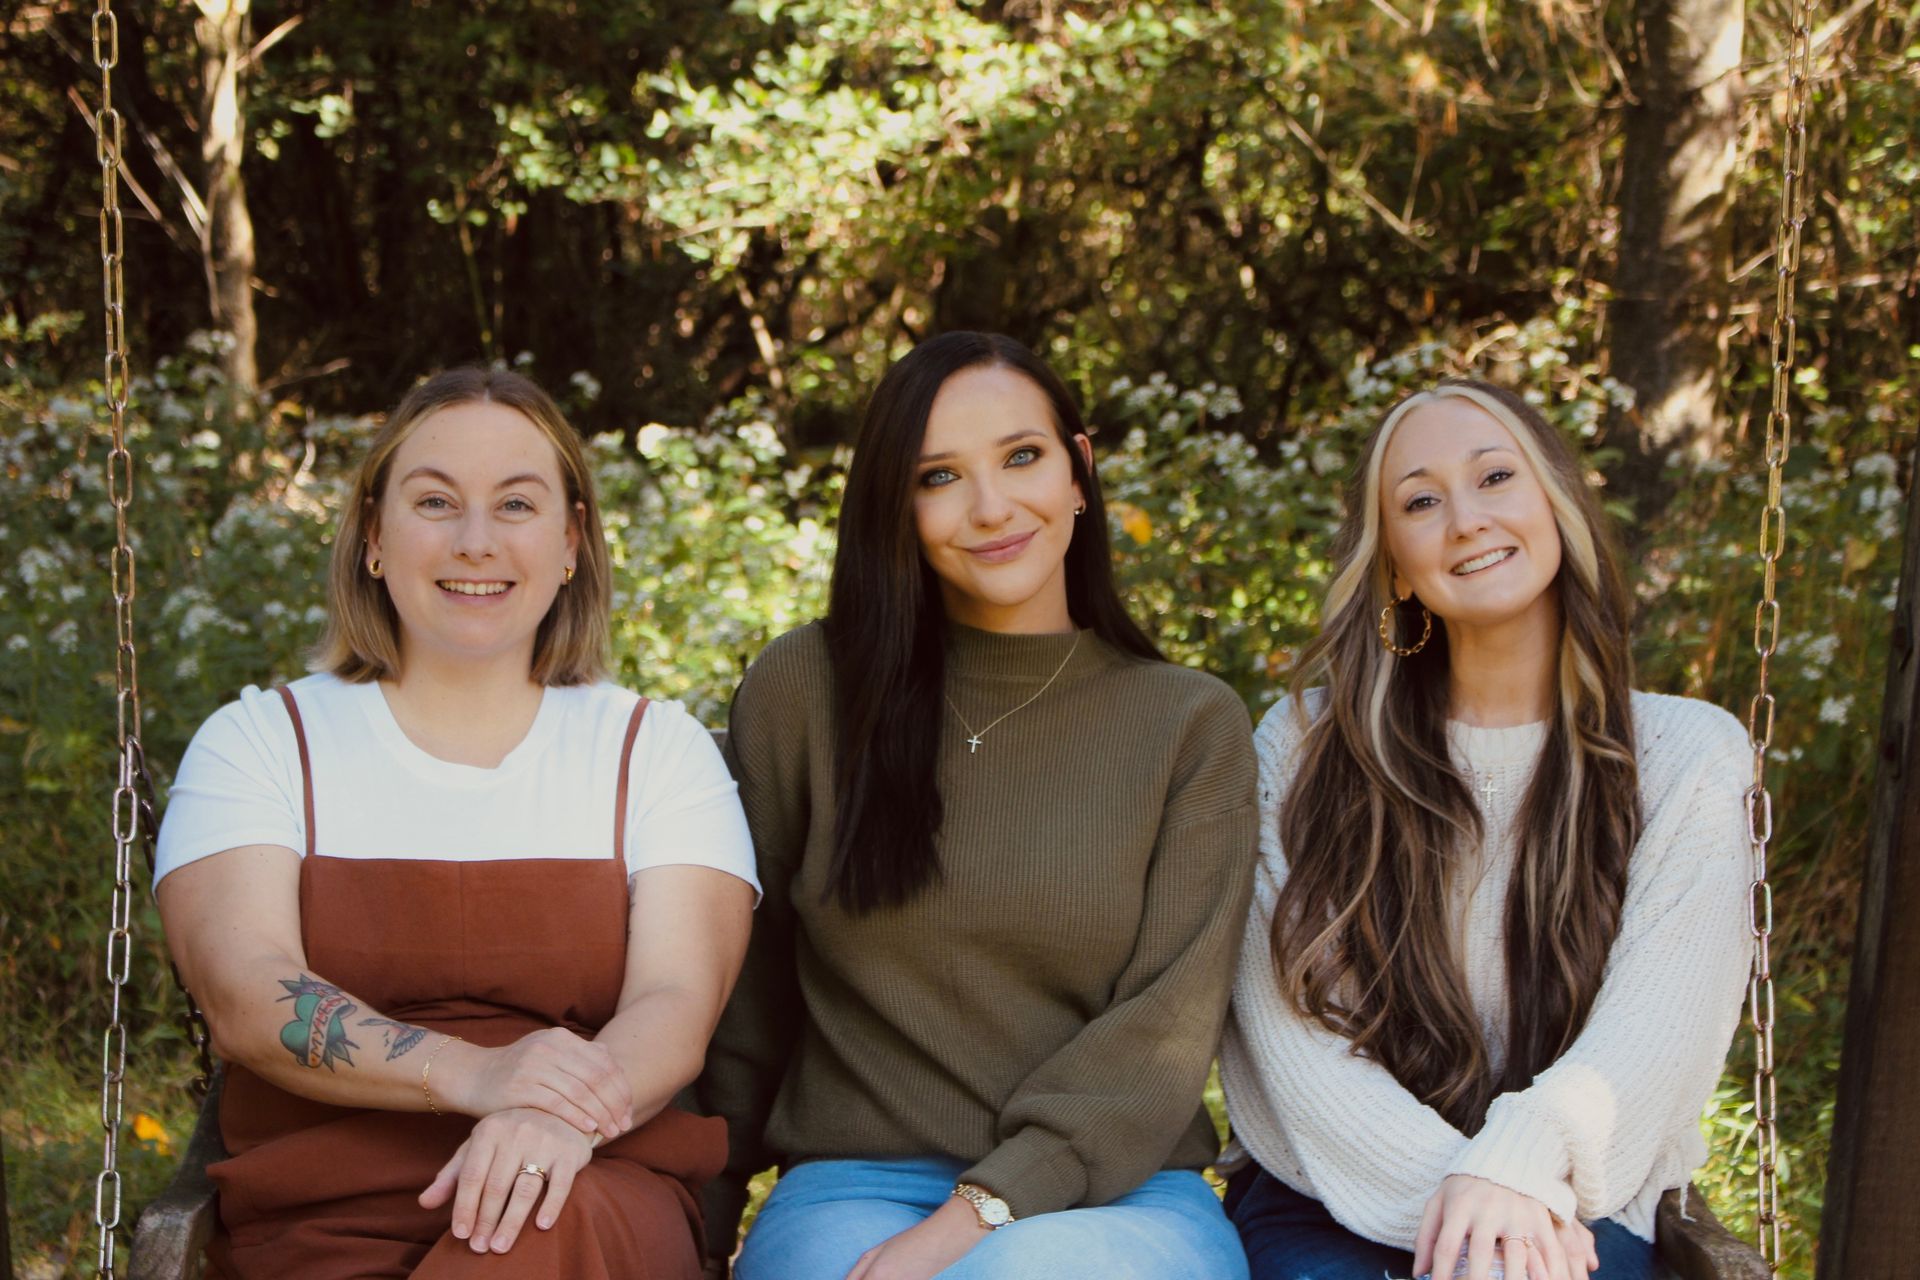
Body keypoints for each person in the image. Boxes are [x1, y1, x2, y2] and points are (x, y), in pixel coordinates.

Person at [154, 367, 760, 1279]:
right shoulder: (263, 743)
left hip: (589, 1178)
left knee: (553, 1223)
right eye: (436, 501)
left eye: (516, 505)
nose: (475, 541)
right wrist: (479, 1077)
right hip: (329, 1208)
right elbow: (247, 996)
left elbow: (675, 1009)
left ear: (570, 542)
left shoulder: (655, 752)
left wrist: (544, 1115)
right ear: (372, 535)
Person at [695, 331, 1259, 1280]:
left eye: (1022, 457)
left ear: (1079, 471)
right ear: (895, 506)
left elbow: (1163, 1028)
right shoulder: (808, 691)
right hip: (852, 1186)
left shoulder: (1188, 724)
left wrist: (975, 1216)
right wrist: (697, 1228)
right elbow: (744, 1001)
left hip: (1114, 1197)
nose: (992, 506)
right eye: (940, 476)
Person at [1219, 380, 1754, 1280]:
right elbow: (1289, 1036)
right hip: (1334, 1198)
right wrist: (1477, 1204)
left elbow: (1652, 1034)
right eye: (1421, 501)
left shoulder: (1686, 755)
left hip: (1573, 1200)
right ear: (1392, 561)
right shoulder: (1308, 748)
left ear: (1557, 501)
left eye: (1495, 477)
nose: (1466, 519)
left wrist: (1518, 1175)